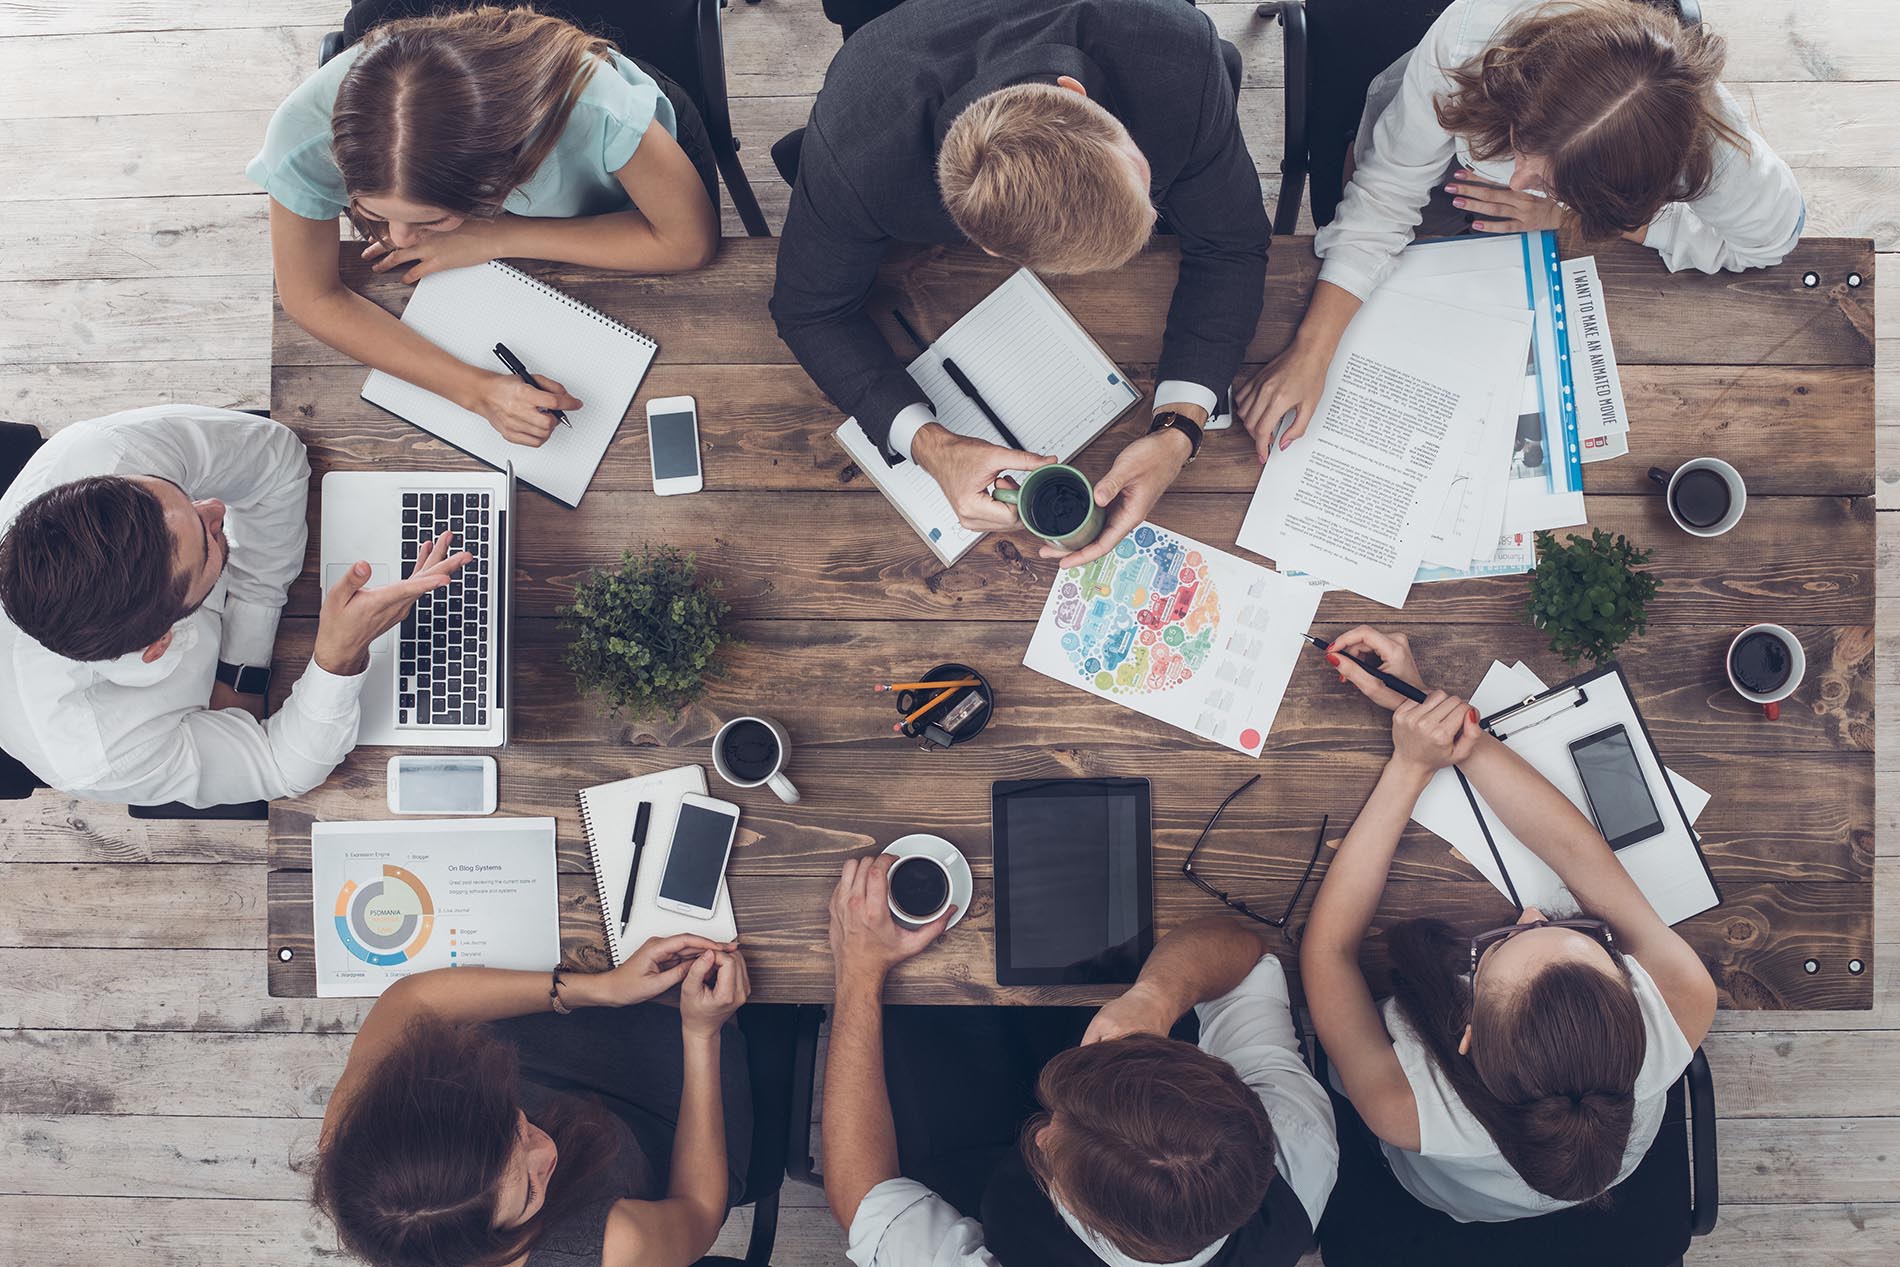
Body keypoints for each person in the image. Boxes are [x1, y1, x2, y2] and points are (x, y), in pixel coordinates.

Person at [770, 0, 1269, 570]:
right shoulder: (855, 147)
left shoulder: (1180, 49)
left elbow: (1230, 243)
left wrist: (1180, 427)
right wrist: (933, 446)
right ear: (983, 245)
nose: (1160, 215)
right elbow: (810, 311)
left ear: (1075, 95)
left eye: (1141, 172)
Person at [1238, 0, 1802, 459]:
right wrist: (1312, 350)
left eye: (1551, 181)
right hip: (1442, 135)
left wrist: (1573, 217)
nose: (1520, 180)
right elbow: (1386, 193)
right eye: (1523, 147)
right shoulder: (1469, 43)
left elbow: (1772, 240)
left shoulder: (1721, 158)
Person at [1300, 625, 1717, 1222]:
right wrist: (1449, 731)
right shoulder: (1683, 1002)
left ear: (1465, 1033)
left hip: (1452, 1195)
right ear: (1629, 997)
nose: (1531, 912)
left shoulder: (1402, 1108)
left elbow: (1329, 953)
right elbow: (1581, 855)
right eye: (1584, 936)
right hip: (1600, 1174)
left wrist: (1409, 769)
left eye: (1498, 946)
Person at [823, 855, 1337, 1266]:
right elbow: (1243, 955)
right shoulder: (1298, 1144)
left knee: (920, 1015)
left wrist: (858, 972)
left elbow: (865, 1201)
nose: (1042, 1134)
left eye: (1051, 1146)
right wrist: (1154, 997)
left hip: (972, 1167)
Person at [250, 4, 719, 449]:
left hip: (640, 169)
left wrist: (499, 236)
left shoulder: (593, 102)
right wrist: (475, 390)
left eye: (430, 220)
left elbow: (688, 241)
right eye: (373, 213)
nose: (398, 238)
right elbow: (308, 296)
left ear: (503, 181)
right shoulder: (301, 137)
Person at [0, 405, 468, 807]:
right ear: (159, 644)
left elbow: (276, 461)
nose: (218, 508)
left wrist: (243, 665)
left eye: (179, 494)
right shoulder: (93, 754)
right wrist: (337, 657)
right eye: (208, 544)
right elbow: (281, 768)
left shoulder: (106, 453)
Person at [314, 934, 752, 1267]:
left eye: (515, 1127)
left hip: (539, 1053)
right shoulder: (603, 1248)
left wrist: (601, 989)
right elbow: (697, 1210)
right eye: (528, 1193)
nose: (547, 1150)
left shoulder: (362, 1149)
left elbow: (413, 1001)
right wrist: (701, 1032)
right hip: (670, 1119)